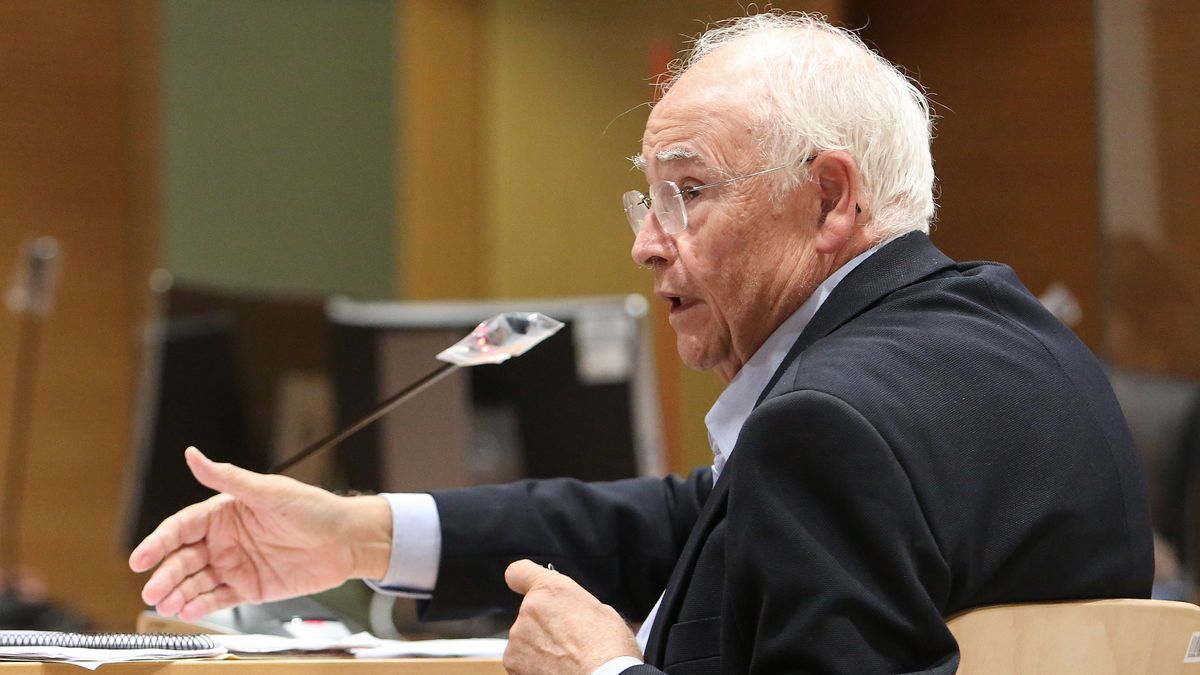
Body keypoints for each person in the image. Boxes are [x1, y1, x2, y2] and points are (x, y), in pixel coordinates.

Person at [129, 12, 1154, 675]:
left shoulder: (833, 421)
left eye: (688, 193)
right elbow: (701, 520)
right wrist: (353, 536)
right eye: (648, 196)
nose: (644, 242)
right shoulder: (1005, 343)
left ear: (831, 197)